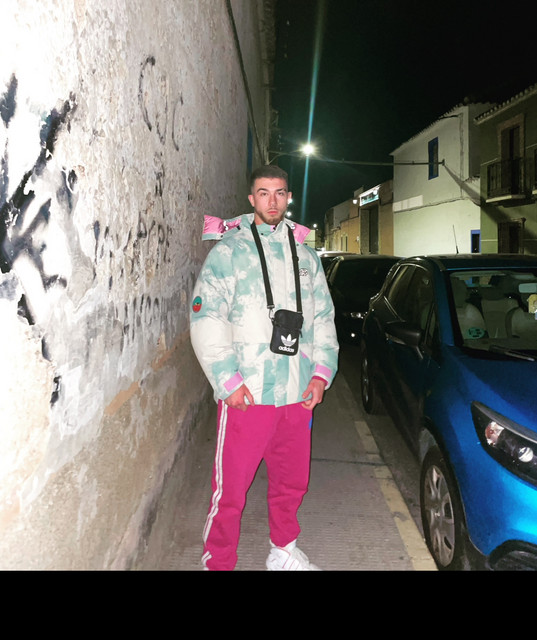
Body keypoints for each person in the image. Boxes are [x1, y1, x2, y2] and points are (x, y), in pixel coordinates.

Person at [189, 164, 339, 571]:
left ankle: (283, 551)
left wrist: (321, 374)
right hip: (248, 394)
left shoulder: (306, 256)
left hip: (296, 393)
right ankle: (218, 563)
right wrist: (228, 381)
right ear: (251, 198)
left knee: (292, 483)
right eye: (263, 193)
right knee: (231, 491)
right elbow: (206, 317)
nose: (273, 201)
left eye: (280, 193)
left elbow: (323, 317)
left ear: (289, 197)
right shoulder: (229, 252)